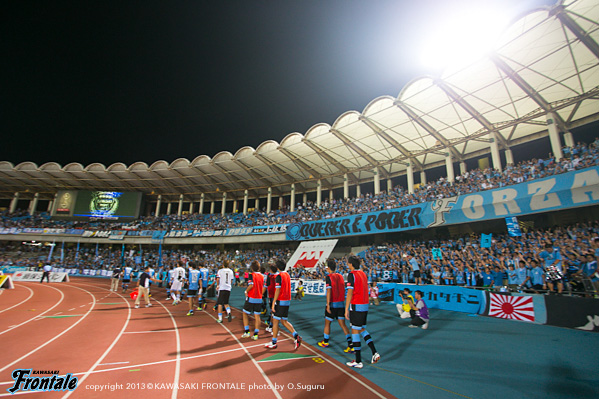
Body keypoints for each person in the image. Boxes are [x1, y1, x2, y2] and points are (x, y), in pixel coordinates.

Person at [345, 255, 380, 369]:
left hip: (356, 304)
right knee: (362, 329)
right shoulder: (363, 274)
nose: (347, 264)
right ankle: (374, 352)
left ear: (351, 264)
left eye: (348, 263)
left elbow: (350, 292)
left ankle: (358, 361)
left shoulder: (352, 275)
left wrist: (346, 309)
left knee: (355, 330)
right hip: (364, 305)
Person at [265, 259, 302, 350]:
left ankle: (274, 342)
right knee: (284, 321)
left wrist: (273, 303)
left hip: (280, 301)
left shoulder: (279, 276)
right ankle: (296, 336)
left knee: (275, 321)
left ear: (277, 267)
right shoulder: (287, 275)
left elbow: (277, 290)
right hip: (287, 301)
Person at [317, 259, 353, 352]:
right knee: (343, 325)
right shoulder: (340, 276)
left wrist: (328, 304)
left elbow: (329, 291)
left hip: (333, 303)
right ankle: (350, 344)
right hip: (340, 304)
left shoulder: (329, 277)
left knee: (327, 323)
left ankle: (325, 341)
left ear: (328, 268)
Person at [241, 260, 265, 340]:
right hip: (259, 298)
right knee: (257, 316)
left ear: (252, 268)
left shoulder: (251, 275)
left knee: (245, 313)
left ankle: (247, 331)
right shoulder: (262, 276)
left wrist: (246, 291)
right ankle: (256, 334)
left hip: (251, 297)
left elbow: (251, 285)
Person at [264, 263, 278, 333]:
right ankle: (271, 325)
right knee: (273, 312)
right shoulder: (278, 276)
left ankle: (273, 327)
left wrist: (260, 294)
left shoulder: (269, 276)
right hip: (277, 296)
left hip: (272, 296)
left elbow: (266, 286)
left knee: (274, 312)